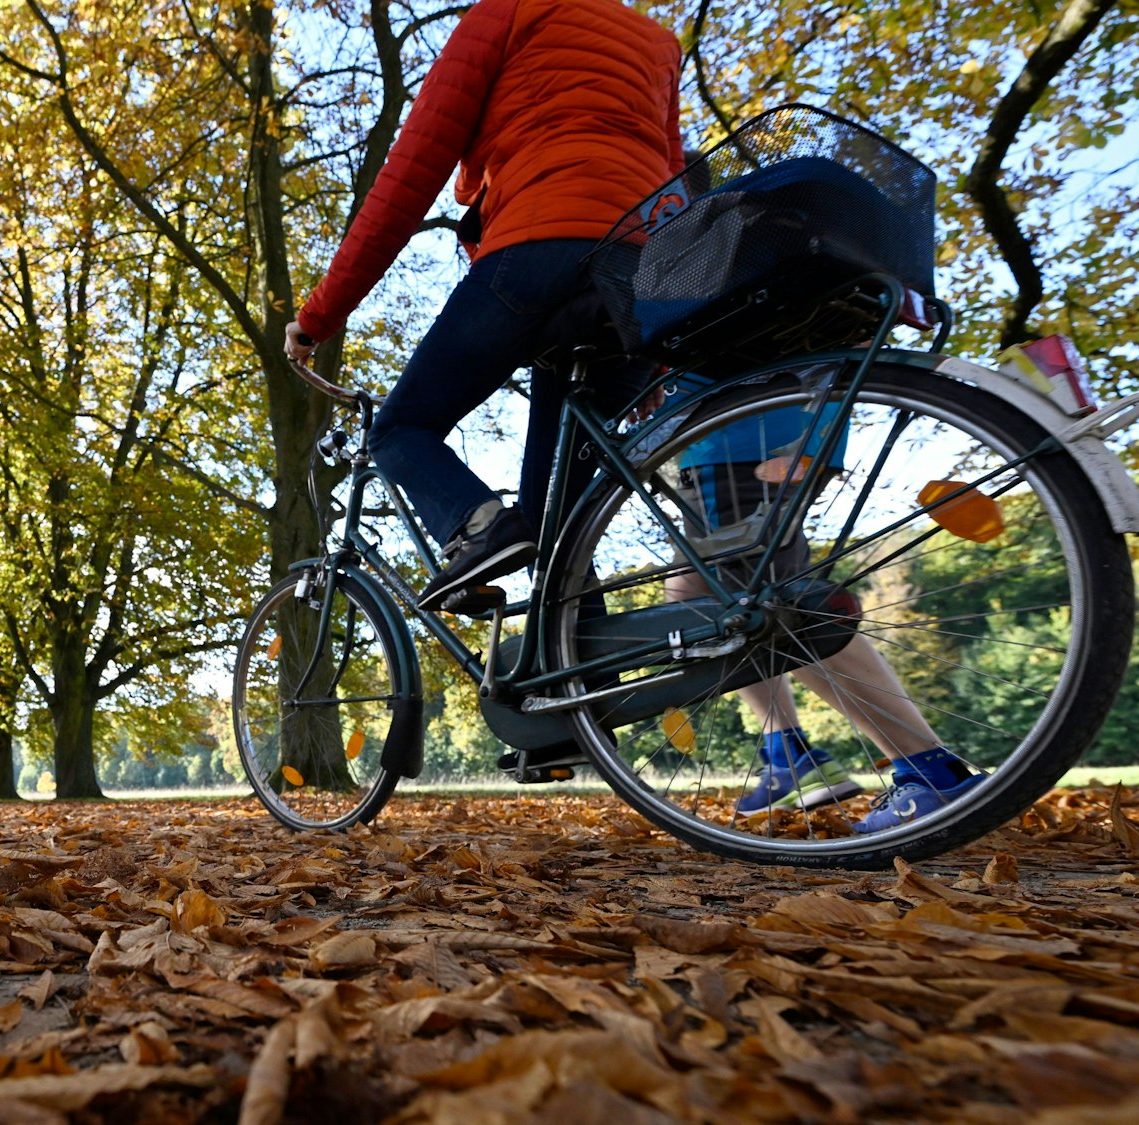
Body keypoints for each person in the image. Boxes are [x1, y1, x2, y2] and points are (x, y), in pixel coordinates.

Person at [286, 0, 686, 610]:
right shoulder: (657, 43)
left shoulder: (505, 13)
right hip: (638, 273)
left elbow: (408, 176)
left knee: (399, 428)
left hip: (537, 249)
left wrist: (318, 316)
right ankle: (577, 691)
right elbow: (672, 181)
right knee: (563, 537)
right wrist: (656, 336)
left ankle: (479, 528)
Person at [665, 384, 984, 831]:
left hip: (737, 434)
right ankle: (786, 756)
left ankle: (930, 772)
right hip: (784, 423)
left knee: (776, 611)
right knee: (693, 596)